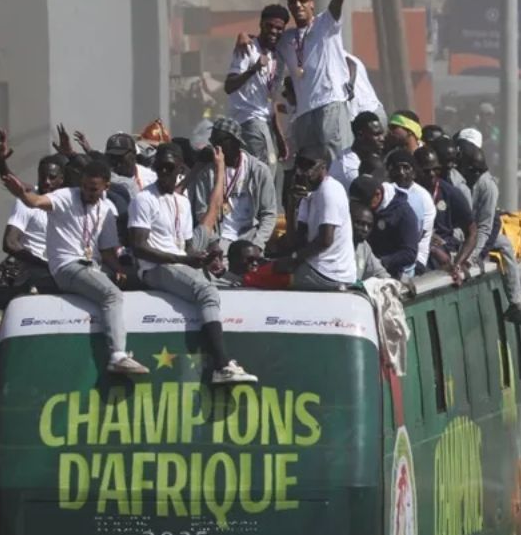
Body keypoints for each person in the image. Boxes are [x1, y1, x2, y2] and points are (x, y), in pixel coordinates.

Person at [0, 159, 148, 374]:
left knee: (137, 278)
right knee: (111, 295)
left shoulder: (107, 209)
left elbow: (107, 252)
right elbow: (36, 201)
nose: (87, 192)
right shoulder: (66, 196)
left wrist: (119, 269)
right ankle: (117, 356)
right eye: (85, 187)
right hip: (66, 266)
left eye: (93, 189)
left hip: (93, 267)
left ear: (106, 187)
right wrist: (22, 194)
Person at [128, 143, 257, 384]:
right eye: (161, 167)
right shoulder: (143, 199)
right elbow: (139, 247)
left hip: (178, 261)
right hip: (154, 269)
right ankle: (222, 365)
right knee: (206, 291)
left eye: (170, 168)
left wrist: (205, 258)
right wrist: (185, 260)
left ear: (180, 169)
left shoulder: (182, 202)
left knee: (212, 255)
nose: (165, 172)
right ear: (155, 168)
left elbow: (187, 247)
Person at [275, 0, 358, 163]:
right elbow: (265, 40)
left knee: (338, 162)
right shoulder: (286, 39)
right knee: (308, 166)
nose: (298, 5)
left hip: (330, 104)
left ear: (312, 3)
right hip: (304, 111)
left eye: (303, 1)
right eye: (293, 2)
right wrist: (244, 37)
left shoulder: (325, 23)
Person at [457, 144, 521, 326]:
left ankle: (515, 303)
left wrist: (472, 256)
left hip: (473, 234)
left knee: (505, 245)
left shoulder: (487, 186)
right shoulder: (458, 180)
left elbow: (484, 227)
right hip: (458, 232)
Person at [0, 130, 64, 304]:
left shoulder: (69, 200)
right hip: (36, 272)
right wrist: (1, 161)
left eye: (52, 177)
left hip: (62, 269)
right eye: (43, 176)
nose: (46, 182)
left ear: (62, 179)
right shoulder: (29, 199)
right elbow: (10, 243)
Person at [187, 118, 278, 256]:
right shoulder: (207, 174)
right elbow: (202, 213)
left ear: (236, 141)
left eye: (220, 141)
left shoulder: (259, 170)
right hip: (220, 241)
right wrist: (213, 243)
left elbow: (269, 214)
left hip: (250, 239)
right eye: (213, 141)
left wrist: (258, 245)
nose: (215, 146)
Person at [276, 146, 357, 289]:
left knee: (269, 277)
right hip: (317, 267)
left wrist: (294, 258)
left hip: (331, 273)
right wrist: (291, 205)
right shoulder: (310, 195)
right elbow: (295, 242)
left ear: (323, 167)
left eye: (310, 165)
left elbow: (325, 240)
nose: (304, 171)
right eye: (300, 165)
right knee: (272, 267)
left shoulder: (329, 190)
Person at [225, 3, 290, 178]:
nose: (274, 31)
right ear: (261, 24)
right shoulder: (248, 48)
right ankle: (264, 206)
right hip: (248, 118)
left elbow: (271, 99)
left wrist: (279, 137)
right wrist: (253, 69)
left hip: (264, 121)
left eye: (279, 28)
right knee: (264, 172)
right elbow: (229, 86)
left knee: (270, 172)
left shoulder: (277, 57)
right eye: (270, 26)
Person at [414, 146, 477, 275]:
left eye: (435, 169)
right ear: (415, 170)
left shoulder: (451, 193)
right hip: (417, 249)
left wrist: (458, 263)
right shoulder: (408, 194)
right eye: (426, 171)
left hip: (444, 251)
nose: (431, 174)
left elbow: (472, 232)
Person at [347, 174, 419, 279]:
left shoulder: (403, 214)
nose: (360, 209)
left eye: (364, 203)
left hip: (388, 274)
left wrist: (381, 262)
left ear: (377, 195)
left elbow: (410, 253)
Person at [386, 149, 436, 275]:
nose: (401, 172)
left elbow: (416, 235)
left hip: (415, 258)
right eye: (397, 168)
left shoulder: (422, 197)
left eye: (406, 168)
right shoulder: (385, 191)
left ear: (414, 172)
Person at [330, 111, 385, 188]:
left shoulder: (369, 156)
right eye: (376, 135)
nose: (382, 139)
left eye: (382, 134)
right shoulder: (350, 169)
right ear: (360, 135)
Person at [105, 132, 156, 198]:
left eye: (120, 157)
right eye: (112, 158)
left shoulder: (151, 179)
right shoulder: (104, 179)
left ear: (134, 155)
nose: (117, 163)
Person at [350, 202, 390, 282]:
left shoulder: (364, 247)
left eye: (369, 226)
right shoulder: (337, 245)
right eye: (360, 224)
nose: (365, 229)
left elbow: (379, 273)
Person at [345, 52, 385, 125]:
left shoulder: (338, 58)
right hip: (374, 111)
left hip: (365, 118)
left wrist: (351, 85)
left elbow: (352, 64)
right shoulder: (352, 58)